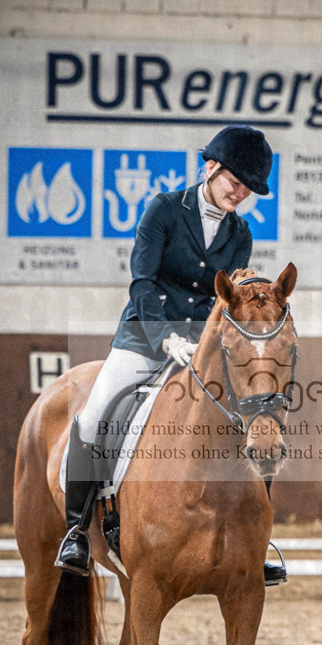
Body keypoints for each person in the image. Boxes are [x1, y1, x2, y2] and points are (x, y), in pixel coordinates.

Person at [56, 124, 283, 583]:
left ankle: (256, 539)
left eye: (248, 188)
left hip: (202, 349)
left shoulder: (240, 232)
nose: (240, 193)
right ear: (210, 167)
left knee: (257, 415)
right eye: (235, 182)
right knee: (94, 416)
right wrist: (165, 338)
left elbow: (227, 298)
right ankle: (76, 531)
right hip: (144, 337)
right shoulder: (163, 209)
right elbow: (142, 283)